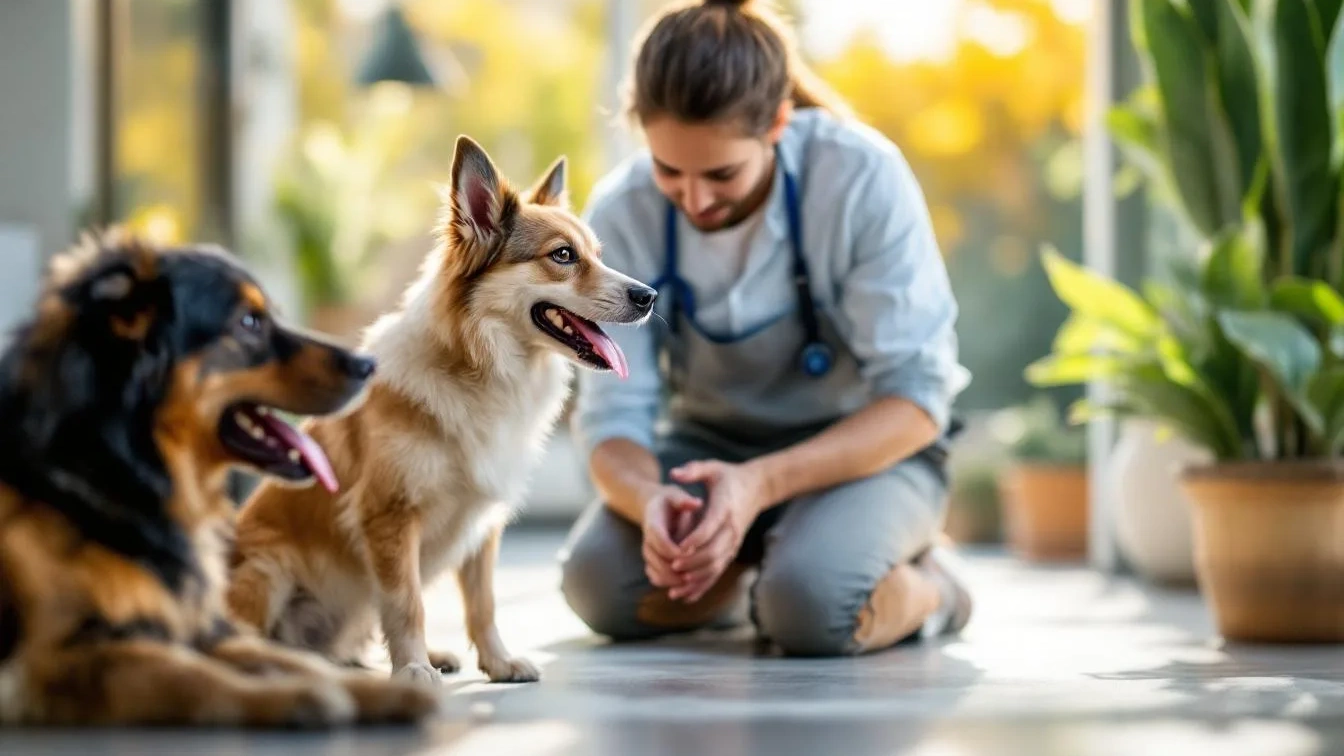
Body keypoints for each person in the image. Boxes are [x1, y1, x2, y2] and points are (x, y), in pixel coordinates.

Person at [558, 0, 974, 657]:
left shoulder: (860, 176)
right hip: (707, 452)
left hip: (865, 458)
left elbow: (918, 401)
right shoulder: (623, 208)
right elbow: (613, 417)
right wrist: (650, 501)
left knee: (810, 611)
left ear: (778, 122)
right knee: (599, 587)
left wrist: (761, 484)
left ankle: (934, 591)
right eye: (670, 171)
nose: (695, 200)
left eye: (721, 174)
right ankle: (757, 576)